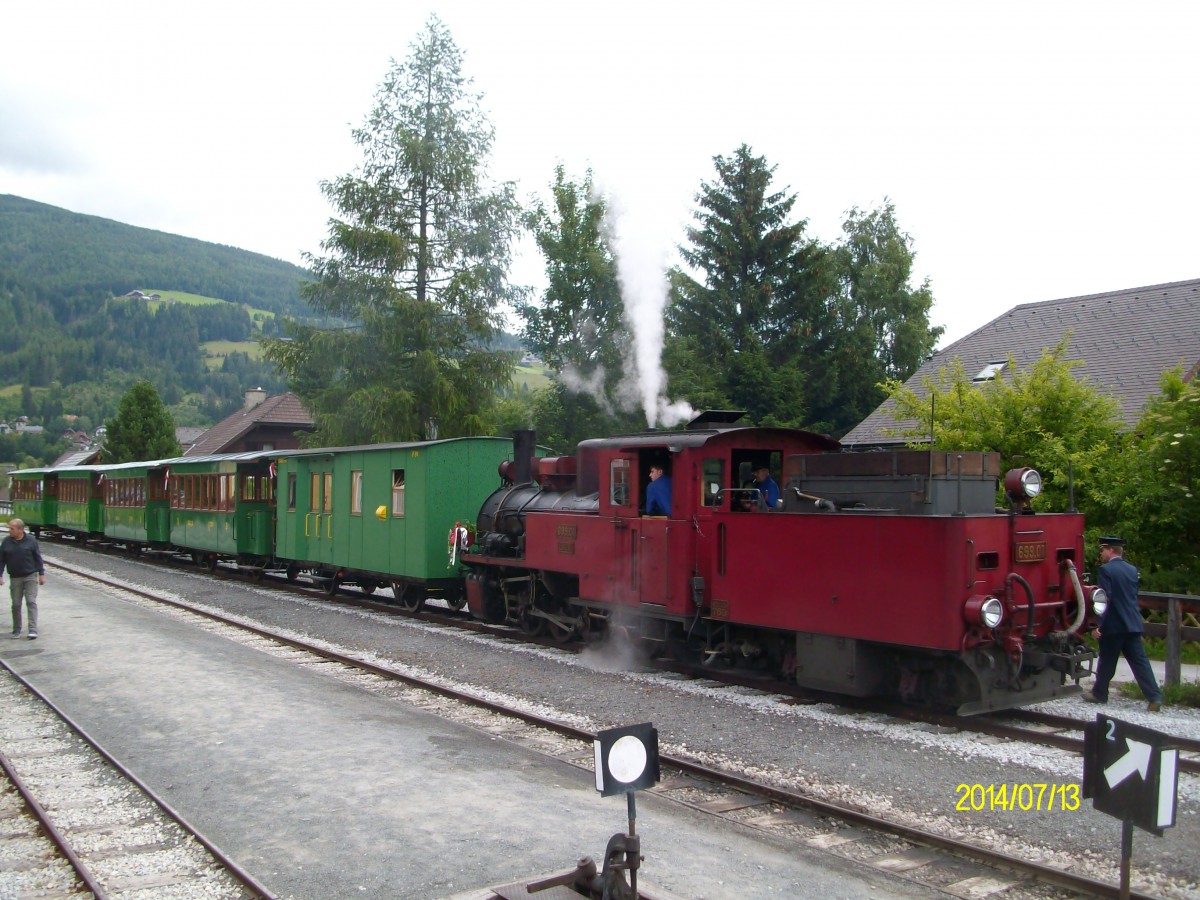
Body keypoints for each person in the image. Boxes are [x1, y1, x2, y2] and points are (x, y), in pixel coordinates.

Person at [1083, 536, 1162, 711]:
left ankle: (1100, 694)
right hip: (1132, 622)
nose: (1101, 553)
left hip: (1114, 624)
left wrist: (1097, 625)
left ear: (1110, 550)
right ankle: (1154, 697)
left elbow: (1105, 599)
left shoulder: (1106, 570)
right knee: (1140, 662)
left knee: (1107, 661)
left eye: (1103, 550)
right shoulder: (1132, 570)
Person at [2, 518, 46, 640]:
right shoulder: (6, 542)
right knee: (16, 604)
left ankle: (32, 629)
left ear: (20, 529)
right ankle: (17, 629)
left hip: (30, 576)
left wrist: (41, 574)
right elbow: (2, 560)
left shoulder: (31, 541)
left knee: (31, 601)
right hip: (15, 577)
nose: (9, 530)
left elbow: (38, 558)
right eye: (9, 528)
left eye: (12, 528)